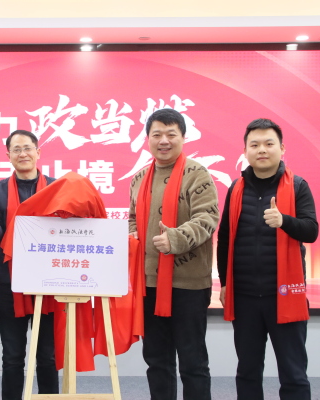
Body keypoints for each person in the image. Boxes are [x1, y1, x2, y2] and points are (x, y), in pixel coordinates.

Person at [217, 118, 318, 400]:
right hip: (245, 297)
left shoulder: (298, 186)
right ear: (245, 151)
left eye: (269, 143)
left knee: (294, 373)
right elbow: (224, 239)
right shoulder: (236, 188)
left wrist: (284, 221)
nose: (262, 149)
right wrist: (224, 283)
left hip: (284, 294)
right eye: (255, 144)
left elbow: (311, 230)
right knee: (247, 372)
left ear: (282, 148)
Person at [128, 108, 219, 400]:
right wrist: (132, 235)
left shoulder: (198, 174)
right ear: (148, 139)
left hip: (188, 284)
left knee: (193, 363)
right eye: (157, 134)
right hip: (149, 283)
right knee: (157, 361)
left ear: (183, 137)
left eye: (171, 134)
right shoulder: (139, 178)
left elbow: (207, 219)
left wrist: (175, 238)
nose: (163, 141)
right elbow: (132, 218)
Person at [0, 130, 59, 399]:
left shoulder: (55, 187)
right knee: (13, 355)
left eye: (27, 148)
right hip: (12, 283)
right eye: (16, 149)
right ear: (8, 156)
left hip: (48, 283)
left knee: (47, 355)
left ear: (38, 152)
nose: (22, 154)